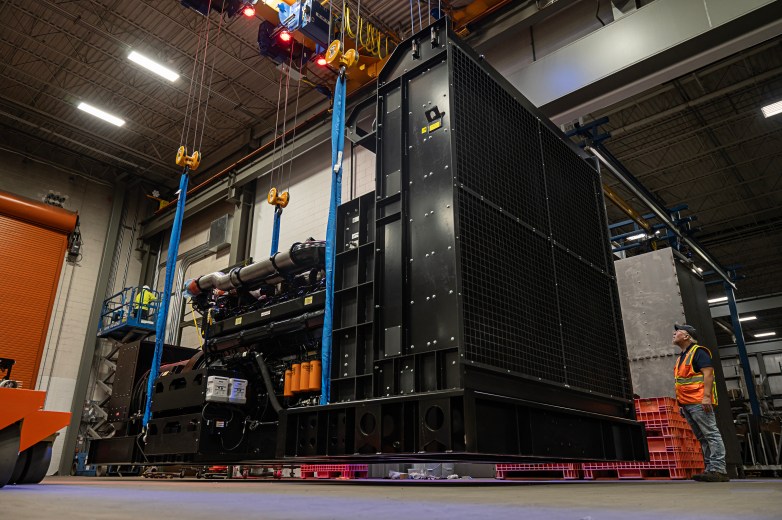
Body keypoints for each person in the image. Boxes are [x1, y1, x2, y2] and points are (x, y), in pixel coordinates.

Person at [672, 323, 729, 482]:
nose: (674, 334)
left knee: (711, 434)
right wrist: (681, 405)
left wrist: (706, 397)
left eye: (678, 332)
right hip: (687, 404)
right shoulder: (681, 358)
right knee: (703, 438)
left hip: (699, 401)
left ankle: (719, 469)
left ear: (687, 336)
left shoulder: (699, 352)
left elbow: (708, 374)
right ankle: (711, 469)